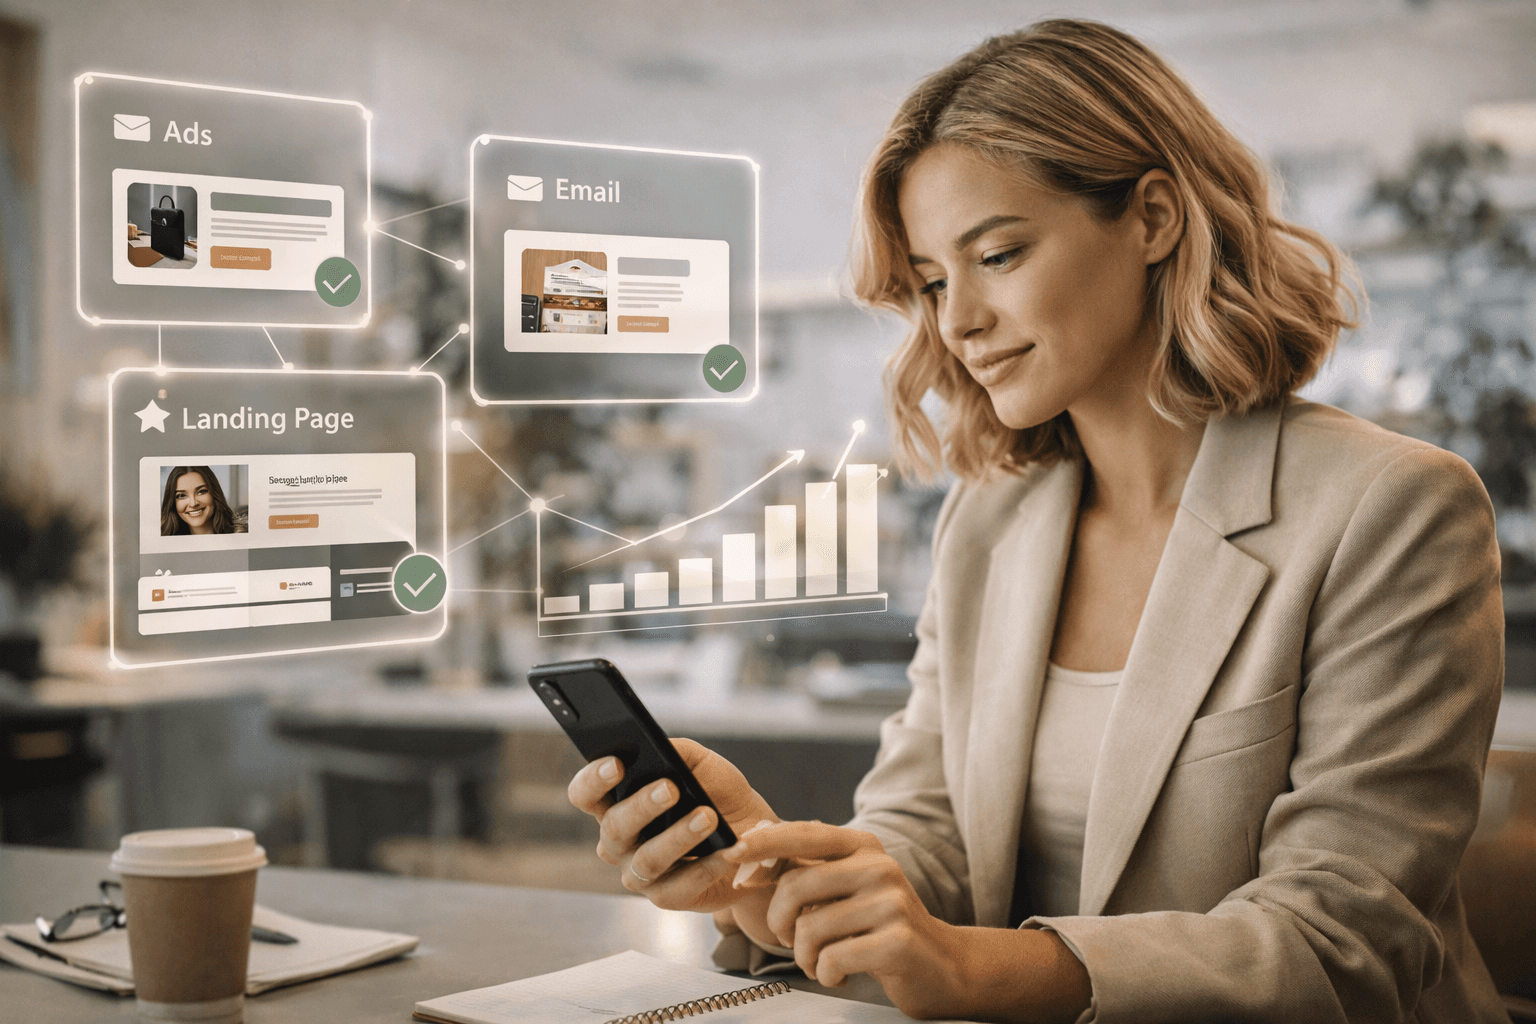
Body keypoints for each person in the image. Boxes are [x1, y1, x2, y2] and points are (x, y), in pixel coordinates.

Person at [568, 19, 1508, 1024]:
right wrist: (774, 877)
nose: (957, 319)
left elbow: (1340, 943)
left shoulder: (1393, 506)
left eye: (999, 255)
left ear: (1152, 218)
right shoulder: (990, 521)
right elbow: (930, 836)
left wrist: (972, 968)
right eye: (932, 282)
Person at [159, 466, 247, 536]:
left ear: (214, 494)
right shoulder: (163, 542)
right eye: (182, 495)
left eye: (201, 491)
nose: (193, 504)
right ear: (173, 503)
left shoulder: (243, 536)